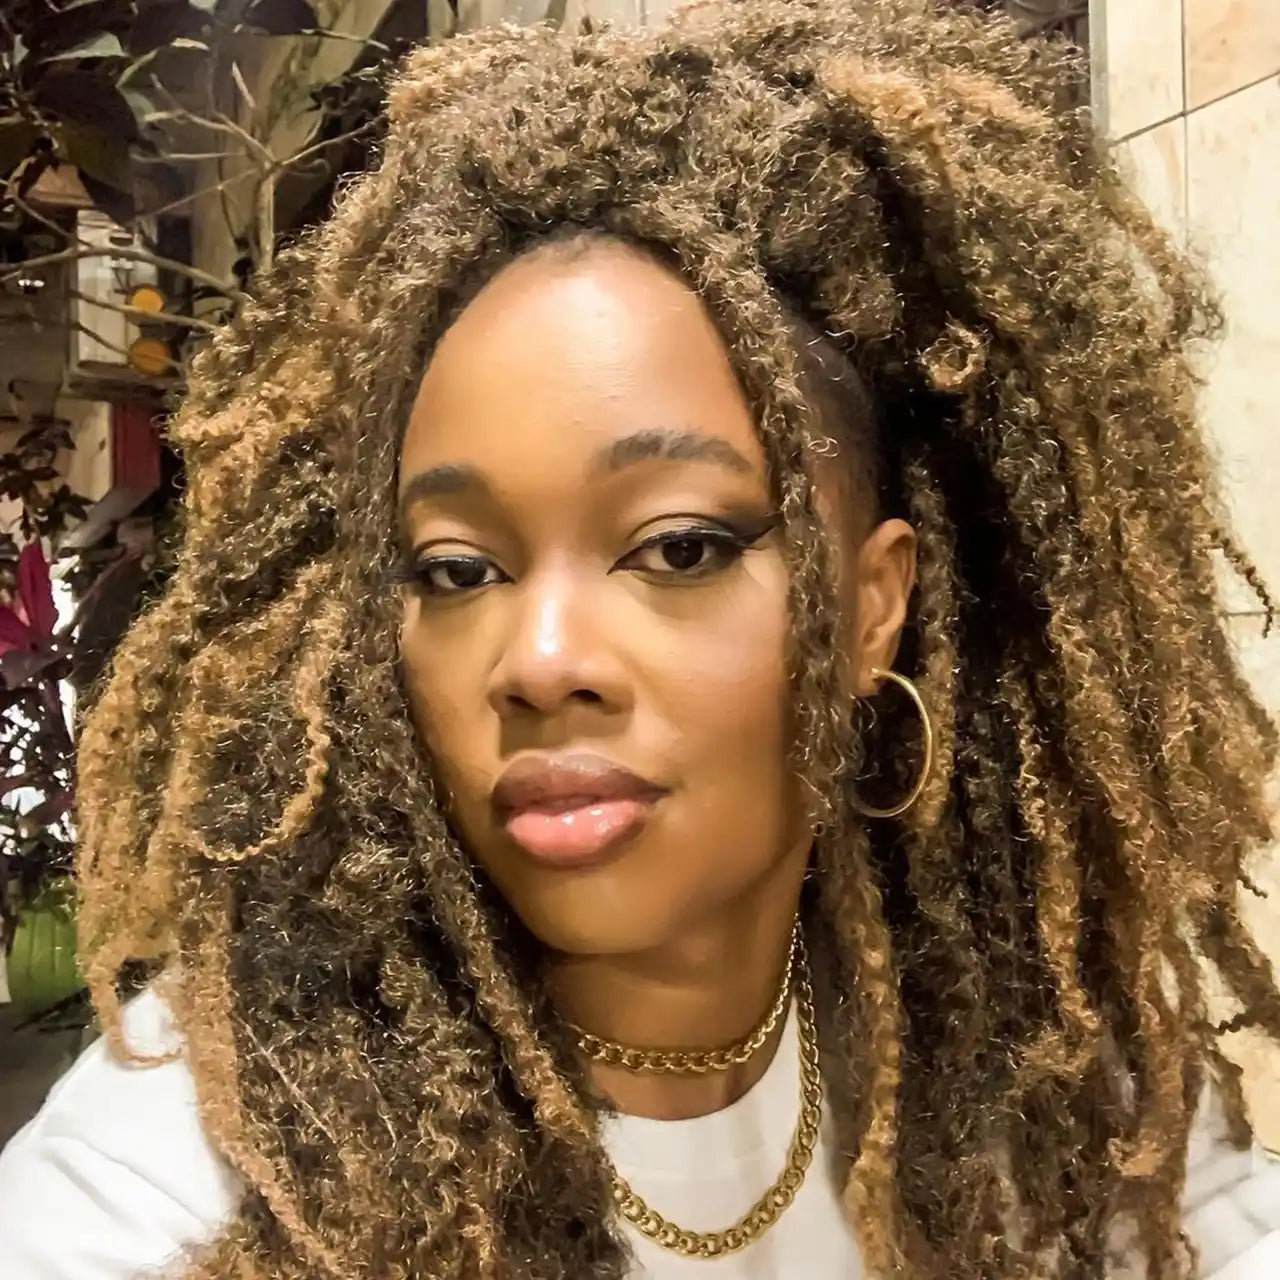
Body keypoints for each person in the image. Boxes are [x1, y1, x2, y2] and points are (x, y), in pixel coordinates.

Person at [2, 1, 1279, 1276]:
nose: (539, 659)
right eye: (455, 568)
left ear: (873, 602)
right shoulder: (208, 1142)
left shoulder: (1052, 1084)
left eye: (676, 546)